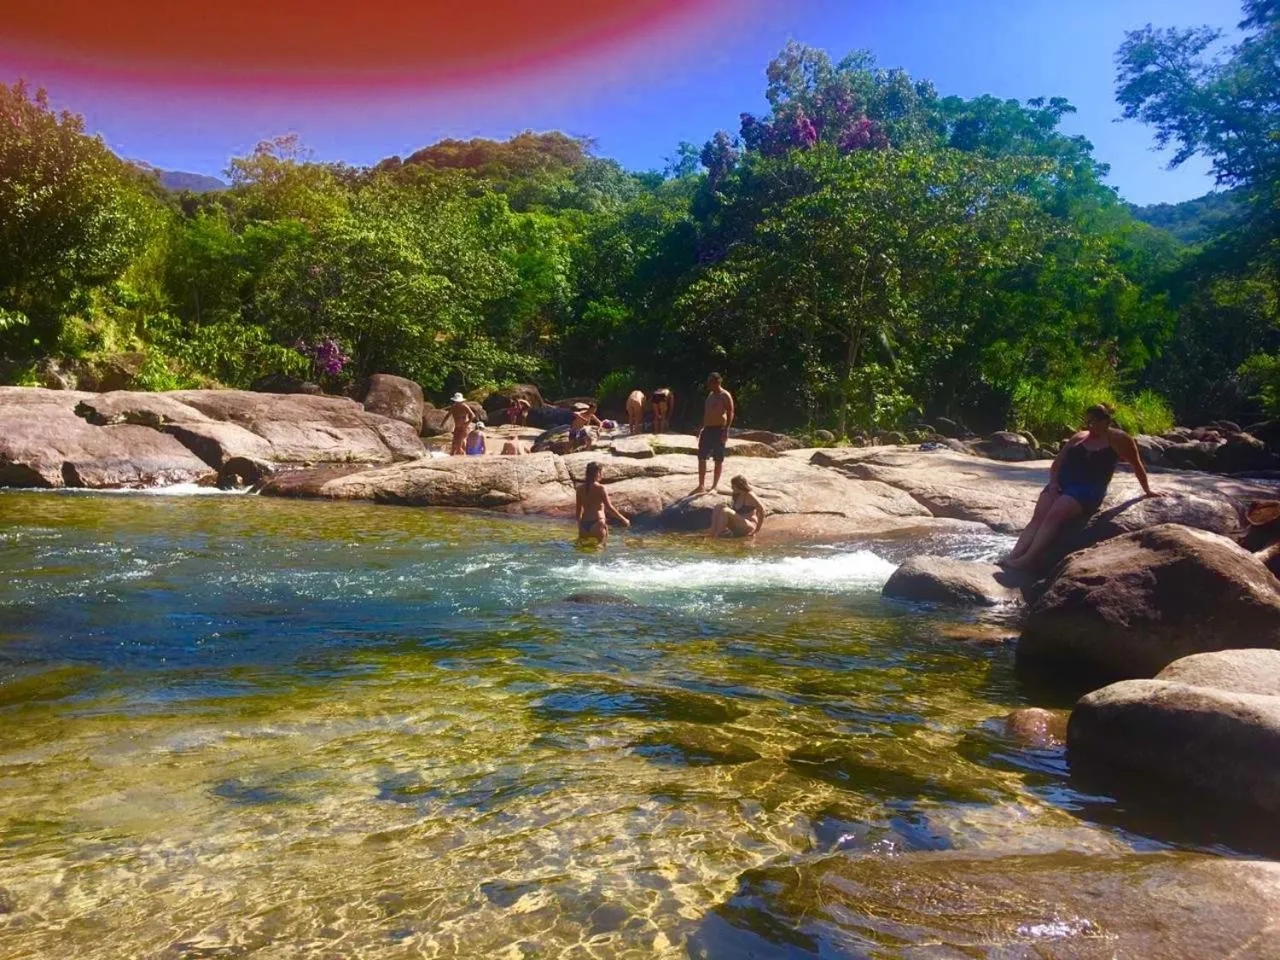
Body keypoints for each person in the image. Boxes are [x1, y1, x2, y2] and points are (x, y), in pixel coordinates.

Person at [1002, 403, 1162, 571]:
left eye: (1092, 423)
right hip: (1063, 482)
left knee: (1055, 513)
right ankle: (1013, 556)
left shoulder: (1119, 440)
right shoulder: (1079, 437)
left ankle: (1027, 559)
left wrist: (1147, 490)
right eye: (1086, 422)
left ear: (1106, 421)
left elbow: (1137, 465)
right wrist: (1054, 483)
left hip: (1089, 489)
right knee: (1039, 515)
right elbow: (1057, 463)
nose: (1088, 427)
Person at [692, 373, 734, 494]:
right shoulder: (710, 395)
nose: (708, 385)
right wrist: (701, 427)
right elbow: (707, 413)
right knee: (701, 456)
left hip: (719, 429)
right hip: (707, 429)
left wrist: (726, 430)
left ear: (717, 382)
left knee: (718, 459)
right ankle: (701, 485)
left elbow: (731, 412)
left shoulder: (725, 395)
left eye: (710, 382)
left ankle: (714, 486)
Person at [575, 460, 631, 544]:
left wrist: (580, 526)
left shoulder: (579, 489)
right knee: (600, 550)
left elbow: (578, 510)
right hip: (597, 522)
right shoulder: (600, 488)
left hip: (584, 525)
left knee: (583, 550)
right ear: (598, 473)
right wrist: (623, 519)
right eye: (601, 472)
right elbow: (609, 507)